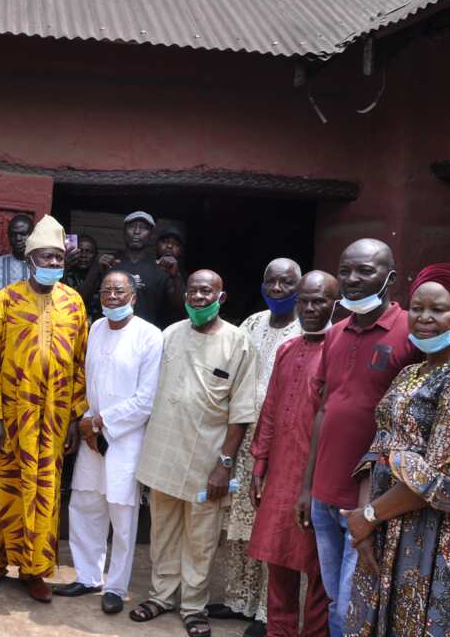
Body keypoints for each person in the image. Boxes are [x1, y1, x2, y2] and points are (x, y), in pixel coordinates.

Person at [298, 239, 421, 637]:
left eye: (364, 271)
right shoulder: (335, 333)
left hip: (373, 497)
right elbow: (324, 409)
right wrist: (308, 485)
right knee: (338, 600)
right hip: (324, 494)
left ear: (391, 279)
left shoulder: (410, 332)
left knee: (356, 604)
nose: (352, 279)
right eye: (345, 270)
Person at [131, 269, 258, 637]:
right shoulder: (170, 334)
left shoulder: (238, 342)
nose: (199, 297)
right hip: (163, 454)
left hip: (207, 461)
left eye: (207, 291)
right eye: (193, 291)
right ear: (185, 295)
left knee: (201, 539)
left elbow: (241, 411)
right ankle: (161, 596)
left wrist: (225, 464)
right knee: (163, 532)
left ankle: (193, 606)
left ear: (222, 297)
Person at [340, 263, 450, 637]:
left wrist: (369, 515)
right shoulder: (410, 373)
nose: (425, 318)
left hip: (430, 532)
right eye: (417, 308)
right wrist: (362, 524)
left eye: (438, 309)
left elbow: (439, 480)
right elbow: (379, 449)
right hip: (383, 523)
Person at [0, 214, 88, 603]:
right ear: (30, 259)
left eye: (58, 258)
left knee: (45, 493)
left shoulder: (74, 303)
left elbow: (79, 364)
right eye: (45, 257)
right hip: (10, 417)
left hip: (52, 421)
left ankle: (34, 569)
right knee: (0, 493)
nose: (53, 264)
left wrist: (74, 415)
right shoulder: (6, 299)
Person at [54, 269, 163, 615]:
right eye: (106, 291)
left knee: (122, 513)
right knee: (85, 504)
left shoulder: (150, 336)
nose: (112, 297)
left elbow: (147, 399)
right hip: (91, 435)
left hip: (125, 437)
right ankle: (88, 576)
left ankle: (115, 585)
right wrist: (85, 420)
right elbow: (87, 381)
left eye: (119, 291)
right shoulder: (96, 328)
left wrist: (100, 423)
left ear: (133, 296)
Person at [214, 259, 303, 636]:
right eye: (272, 281)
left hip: (283, 441)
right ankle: (239, 599)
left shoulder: (312, 328)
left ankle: (268, 612)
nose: (278, 288)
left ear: (299, 286)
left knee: (273, 525)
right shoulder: (251, 323)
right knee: (238, 522)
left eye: (287, 282)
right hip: (244, 433)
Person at [248, 270, 339, 637]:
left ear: (336, 304)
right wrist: (259, 462)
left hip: (319, 478)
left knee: (319, 569)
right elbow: (270, 408)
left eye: (320, 301)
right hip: (280, 475)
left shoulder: (339, 348)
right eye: (304, 301)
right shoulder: (288, 348)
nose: (311, 308)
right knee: (278, 561)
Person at [82, 211, 181, 329]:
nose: (137, 231)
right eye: (132, 227)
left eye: (143, 228)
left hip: (145, 337)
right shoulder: (109, 262)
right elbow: (81, 299)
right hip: (109, 333)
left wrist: (176, 276)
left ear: (151, 235)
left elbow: (180, 308)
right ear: (124, 232)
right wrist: (95, 271)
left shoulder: (160, 267)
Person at [0, 214, 34, 292]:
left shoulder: (42, 268)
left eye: (23, 234)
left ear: (33, 235)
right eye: (13, 234)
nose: (18, 238)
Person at [62, 234, 102, 321]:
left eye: (89, 252)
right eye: (80, 250)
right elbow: (77, 300)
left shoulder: (101, 275)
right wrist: (65, 266)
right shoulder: (67, 273)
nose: (84, 255)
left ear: (95, 255)